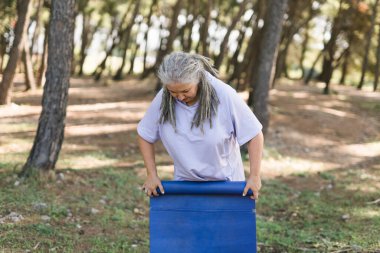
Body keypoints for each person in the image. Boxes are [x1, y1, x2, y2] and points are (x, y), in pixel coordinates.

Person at [137, 51, 264, 199]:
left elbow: (254, 134)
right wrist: (151, 174)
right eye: (173, 91)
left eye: (185, 90)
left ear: (198, 80)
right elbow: (145, 134)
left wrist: (254, 176)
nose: (180, 97)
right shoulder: (164, 97)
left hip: (226, 184)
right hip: (185, 184)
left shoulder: (224, 95)